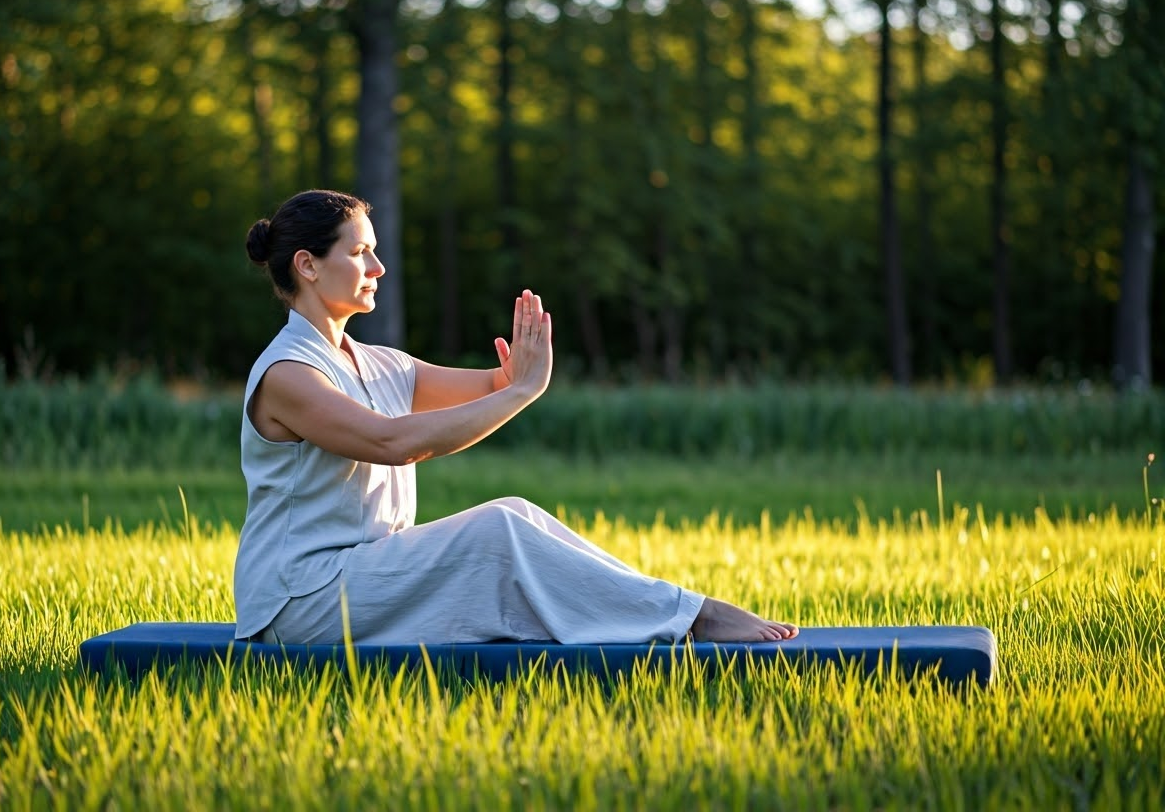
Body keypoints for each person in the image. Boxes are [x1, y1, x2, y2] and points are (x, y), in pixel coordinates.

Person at [234, 189, 798, 646]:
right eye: (360, 253)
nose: (378, 267)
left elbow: (489, 384)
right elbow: (390, 442)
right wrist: (519, 392)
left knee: (514, 511)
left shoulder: (378, 363)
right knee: (495, 531)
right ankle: (692, 619)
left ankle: (676, 612)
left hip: (364, 579)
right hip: (299, 601)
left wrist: (518, 376)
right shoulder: (288, 373)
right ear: (307, 265)